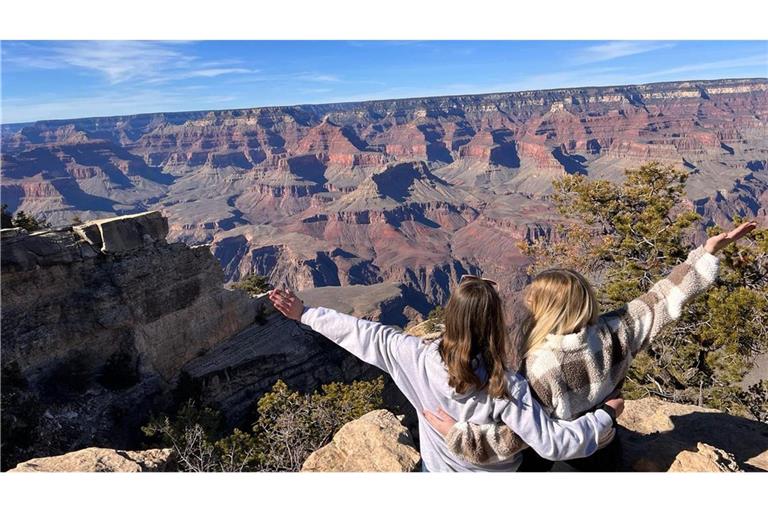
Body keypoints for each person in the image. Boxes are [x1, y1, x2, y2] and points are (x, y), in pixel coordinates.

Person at [423, 220, 758, 471]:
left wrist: (458, 435)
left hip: (554, 459)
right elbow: (663, 299)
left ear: (548, 311)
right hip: (604, 449)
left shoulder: (541, 367)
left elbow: (517, 438)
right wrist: (706, 254)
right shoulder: (618, 330)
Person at [268, 274, 622, 471]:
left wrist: (305, 313)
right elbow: (554, 445)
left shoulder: (413, 356)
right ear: (496, 325)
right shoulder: (506, 384)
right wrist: (605, 416)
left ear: (450, 317)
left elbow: (361, 333)